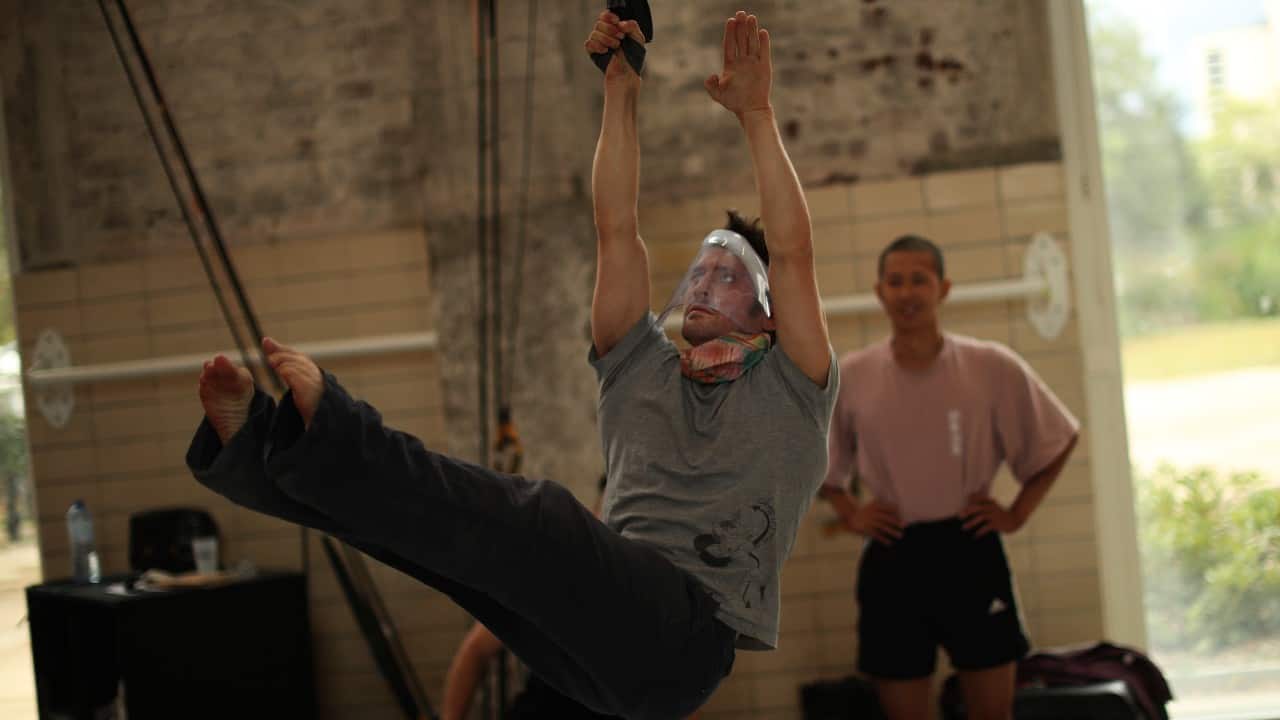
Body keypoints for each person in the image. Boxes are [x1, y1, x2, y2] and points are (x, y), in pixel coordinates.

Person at [186, 10, 835, 720]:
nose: (705, 285)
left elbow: (796, 254)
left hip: (683, 639)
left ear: (771, 313)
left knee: (543, 517)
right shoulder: (641, 368)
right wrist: (620, 90)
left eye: (730, 276)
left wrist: (758, 114)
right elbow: (615, 227)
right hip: (592, 659)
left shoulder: (793, 388)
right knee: (437, 551)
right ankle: (256, 452)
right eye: (701, 271)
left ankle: (338, 430)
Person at [819, 235, 1080, 720]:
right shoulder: (853, 375)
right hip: (894, 555)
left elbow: (1060, 437)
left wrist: (1018, 512)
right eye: (895, 282)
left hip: (970, 549)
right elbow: (819, 465)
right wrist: (851, 512)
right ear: (880, 292)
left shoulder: (991, 366)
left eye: (919, 279)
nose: (907, 292)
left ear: (943, 288)